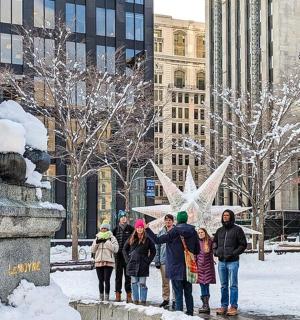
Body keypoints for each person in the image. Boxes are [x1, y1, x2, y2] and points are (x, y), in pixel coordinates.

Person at [146, 211, 200, 316]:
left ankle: (179, 315)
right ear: (186, 219)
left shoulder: (174, 231)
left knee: (178, 293)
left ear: (178, 220)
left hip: (175, 267)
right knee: (188, 293)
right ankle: (190, 314)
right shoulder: (193, 231)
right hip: (188, 267)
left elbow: (157, 240)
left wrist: (147, 229)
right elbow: (197, 250)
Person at [213, 209, 247, 316]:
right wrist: (216, 252)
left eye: (227, 215)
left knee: (233, 285)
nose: (225, 217)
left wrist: (234, 253)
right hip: (221, 262)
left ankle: (233, 306)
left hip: (233, 262)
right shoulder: (219, 230)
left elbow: (243, 244)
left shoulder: (238, 230)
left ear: (231, 217)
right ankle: (224, 306)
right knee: (223, 285)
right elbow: (214, 243)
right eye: (224, 215)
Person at [122, 218, 156, 305]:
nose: (140, 229)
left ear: (143, 228)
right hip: (132, 264)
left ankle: (143, 301)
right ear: (136, 228)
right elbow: (124, 249)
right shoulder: (132, 237)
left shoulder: (147, 239)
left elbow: (153, 251)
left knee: (142, 283)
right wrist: (127, 260)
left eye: (141, 227)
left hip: (143, 264)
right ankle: (136, 301)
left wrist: (148, 261)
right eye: (138, 227)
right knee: (134, 283)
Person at [91, 219, 119, 301]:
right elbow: (92, 250)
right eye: (102, 228)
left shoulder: (112, 238)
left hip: (108, 262)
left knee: (107, 280)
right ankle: (101, 296)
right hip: (98, 261)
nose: (103, 230)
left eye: (105, 228)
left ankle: (106, 296)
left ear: (108, 229)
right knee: (100, 280)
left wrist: (106, 241)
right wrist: (97, 242)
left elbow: (116, 249)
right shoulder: (97, 237)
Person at [154, 214, 176, 309]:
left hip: (174, 260)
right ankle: (166, 299)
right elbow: (157, 247)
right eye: (166, 220)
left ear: (173, 221)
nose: (168, 222)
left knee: (175, 281)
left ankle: (175, 299)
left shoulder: (176, 231)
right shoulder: (161, 232)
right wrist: (157, 260)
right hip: (164, 260)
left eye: (170, 220)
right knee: (165, 282)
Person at [113, 210, 134, 302]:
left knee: (128, 276)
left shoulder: (131, 229)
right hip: (118, 256)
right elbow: (111, 242)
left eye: (125, 216)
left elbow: (135, 241)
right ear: (119, 219)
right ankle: (118, 294)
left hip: (128, 256)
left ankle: (129, 294)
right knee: (118, 276)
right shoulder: (115, 229)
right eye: (121, 217)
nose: (123, 218)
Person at [196, 227, 216, 314]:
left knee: (206, 285)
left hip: (208, 266)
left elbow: (214, 251)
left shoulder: (210, 241)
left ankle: (206, 305)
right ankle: (205, 304)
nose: (200, 234)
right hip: (199, 267)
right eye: (199, 232)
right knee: (202, 285)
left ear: (205, 233)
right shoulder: (196, 242)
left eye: (202, 232)